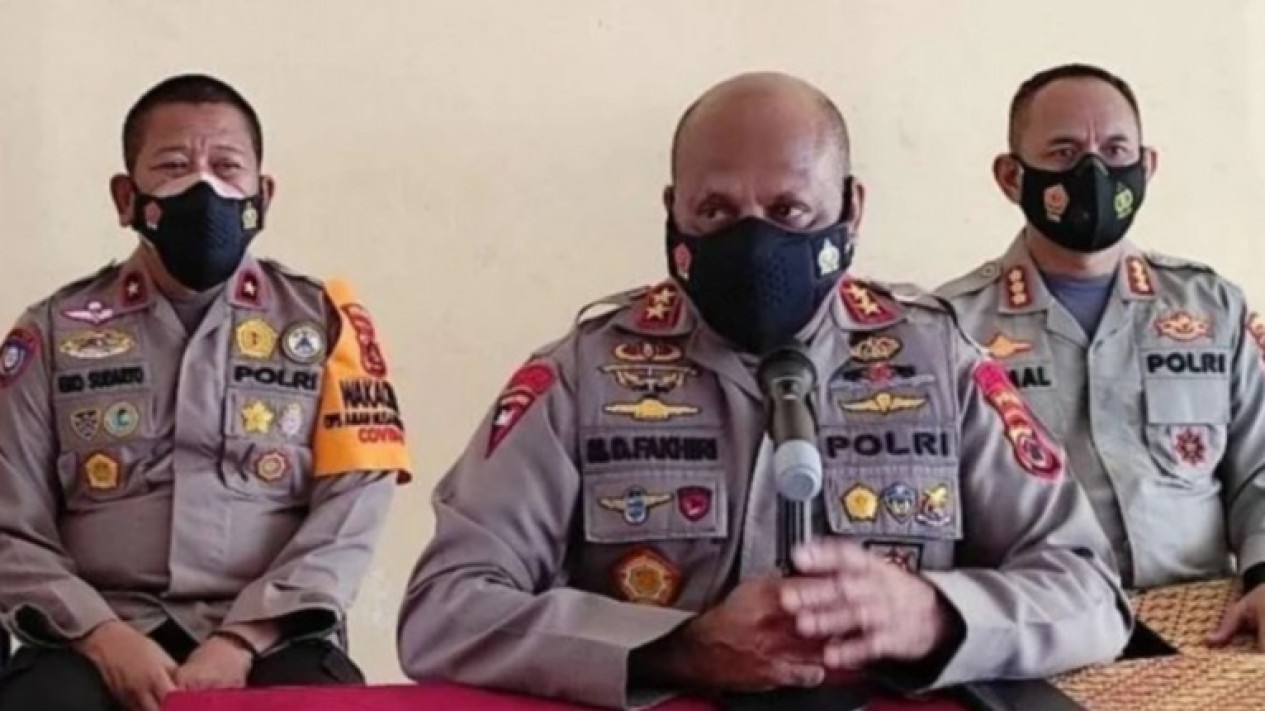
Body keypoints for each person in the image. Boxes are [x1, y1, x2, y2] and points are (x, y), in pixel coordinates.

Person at [397, 72, 1130, 710]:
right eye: (715, 211)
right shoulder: (582, 373)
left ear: (850, 207)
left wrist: (938, 617)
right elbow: (444, 609)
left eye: (788, 211)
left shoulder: (940, 360)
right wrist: (673, 646)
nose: (752, 243)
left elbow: (1090, 594)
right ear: (671, 210)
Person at [0, 74, 411, 711]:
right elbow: (9, 522)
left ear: (262, 195)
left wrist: (242, 639)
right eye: (173, 166)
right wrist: (103, 636)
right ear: (126, 197)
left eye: (226, 166)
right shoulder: (53, 331)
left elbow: (354, 507)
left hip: (274, 634)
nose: (204, 187)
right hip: (92, 632)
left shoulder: (326, 325)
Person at [936, 63, 1265, 650]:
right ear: (1011, 177)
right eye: (1064, 153)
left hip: (1207, 627)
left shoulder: (1211, 306)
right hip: (1036, 633)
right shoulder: (951, 329)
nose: (1095, 172)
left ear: (1147, 166)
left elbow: (1259, 467)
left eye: (1115, 150)